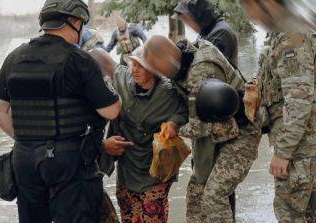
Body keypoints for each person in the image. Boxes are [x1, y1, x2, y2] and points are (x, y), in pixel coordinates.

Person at [0, 0, 122, 222]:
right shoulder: (79, 59)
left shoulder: (14, 56)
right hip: (67, 161)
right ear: (74, 22)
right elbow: (111, 111)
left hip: (24, 159)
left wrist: (28, 139)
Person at [143, 35, 261, 223]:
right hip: (218, 134)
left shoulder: (201, 70)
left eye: (156, 68)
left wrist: (172, 130)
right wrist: (174, 122)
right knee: (195, 194)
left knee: (214, 195)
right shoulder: (182, 63)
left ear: (166, 60)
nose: (157, 74)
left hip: (243, 134)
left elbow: (200, 127)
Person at [90, 47, 188, 222]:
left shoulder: (168, 92)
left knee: (152, 215)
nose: (134, 70)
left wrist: (173, 123)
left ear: (154, 69)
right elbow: (100, 57)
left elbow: (185, 110)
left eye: (140, 66)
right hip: (128, 165)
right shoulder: (122, 80)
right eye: (132, 64)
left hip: (155, 166)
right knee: (128, 214)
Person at [241, 0, 316, 222]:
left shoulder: (290, 36)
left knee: (290, 215)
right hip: (303, 148)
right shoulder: (285, 31)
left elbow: (299, 100)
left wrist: (283, 152)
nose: (250, 15)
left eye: (250, 6)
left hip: (301, 151)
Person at [173, 0, 240, 216]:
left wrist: (182, 128)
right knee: (212, 187)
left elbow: (206, 81)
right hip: (213, 117)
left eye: (187, 19)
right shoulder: (209, 32)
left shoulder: (220, 34)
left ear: (198, 15)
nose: (187, 24)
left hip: (220, 118)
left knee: (217, 190)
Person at [173, 0, 238, 67]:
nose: (187, 25)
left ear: (198, 17)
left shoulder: (221, 33)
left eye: (187, 20)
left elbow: (207, 66)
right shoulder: (206, 31)